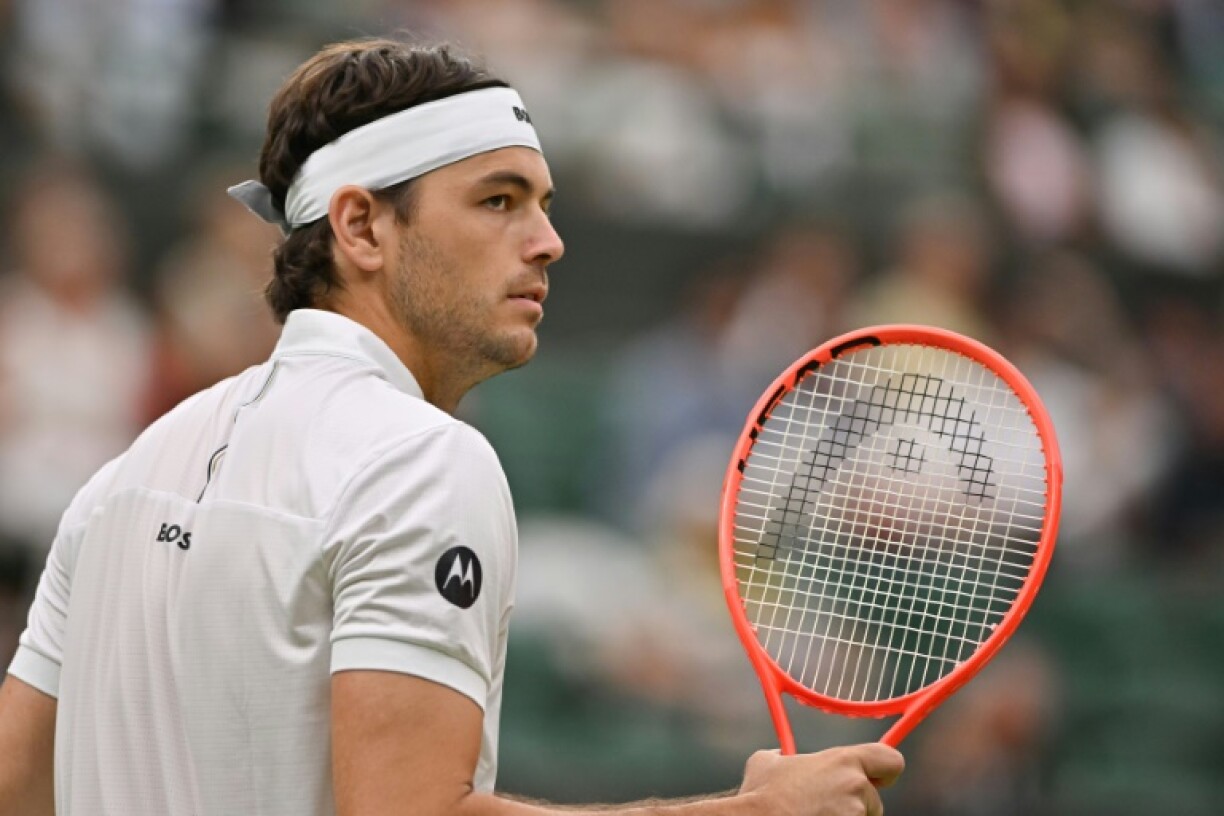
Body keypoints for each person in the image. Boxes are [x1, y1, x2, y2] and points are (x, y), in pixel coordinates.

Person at [0, 37, 904, 816]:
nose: (548, 241)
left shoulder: (124, 474)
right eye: (499, 200)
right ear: (359, 226)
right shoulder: (424, 462)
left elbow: (16, 786)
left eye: (544, 204)